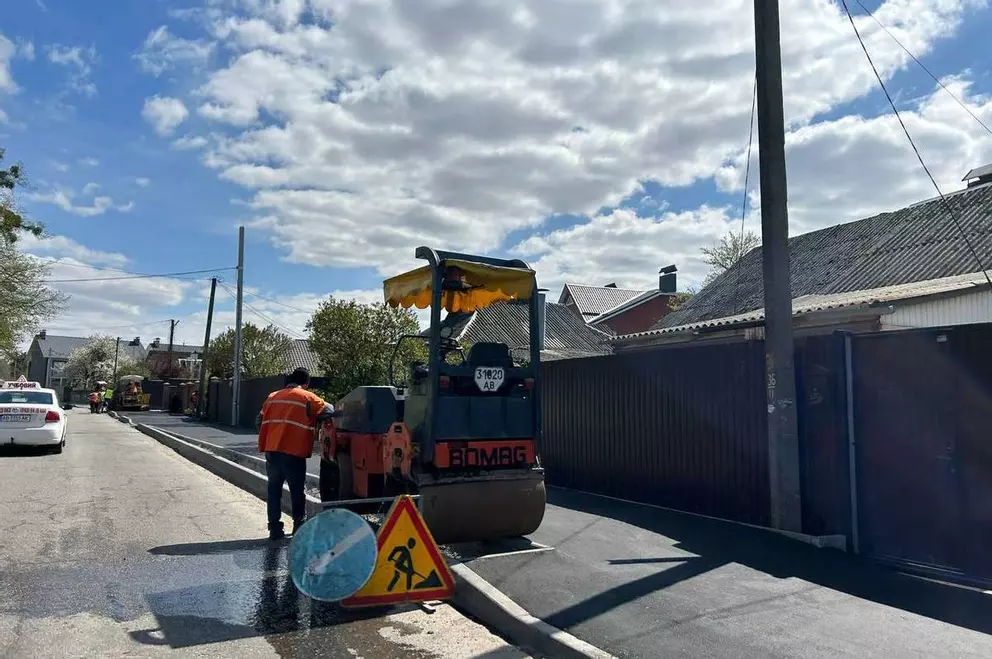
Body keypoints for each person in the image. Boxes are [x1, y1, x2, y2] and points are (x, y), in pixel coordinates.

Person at [257, 367, 334, 540]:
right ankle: (299, 527)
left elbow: (259, 420)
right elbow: (329, 410)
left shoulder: (272, 397)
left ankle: (274, 529)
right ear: (306, 383)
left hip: (272, 451)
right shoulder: (307, 397)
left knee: (274, 490)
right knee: (297, 491)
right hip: (293, 452)